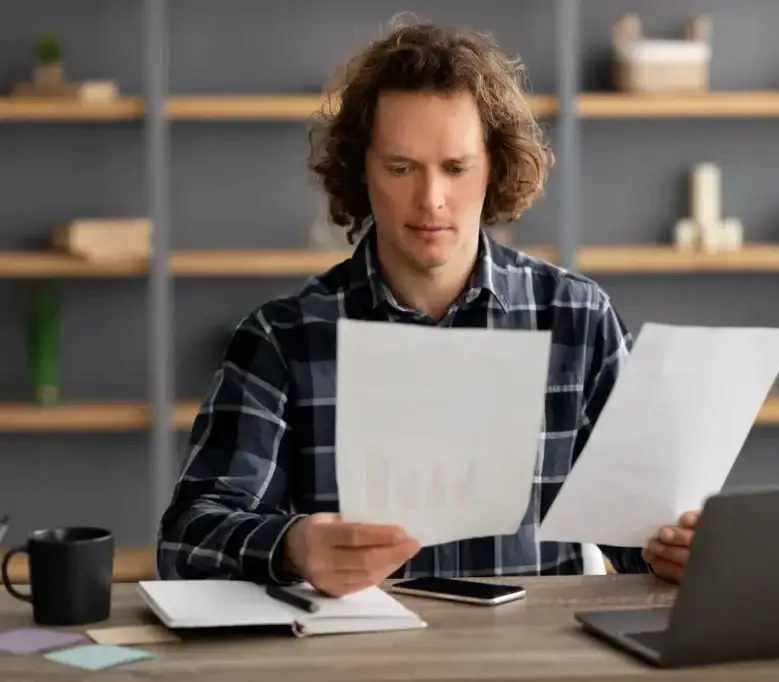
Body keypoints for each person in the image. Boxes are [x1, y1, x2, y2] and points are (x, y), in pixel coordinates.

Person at [157, 20, 700, 597]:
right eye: (400, 168)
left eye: (456, 168)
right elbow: (185, 541)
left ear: (493, 168)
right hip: (360, 656)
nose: (431, 200)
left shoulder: (577, 317)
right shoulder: (283, 336)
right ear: (361, 171)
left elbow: (642, 538)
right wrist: (293, 545)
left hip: (534, 656)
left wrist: (677, 548)